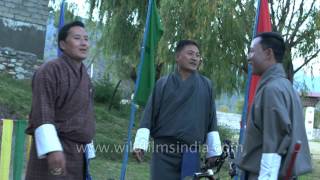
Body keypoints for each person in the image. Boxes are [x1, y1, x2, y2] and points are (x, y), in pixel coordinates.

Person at [132, 40, 222, 180]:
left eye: (198, 55)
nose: (195, 58)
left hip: (191, 152)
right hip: (164, 152)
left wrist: (213, 152)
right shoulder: (163, 83)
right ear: (177, 56)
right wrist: (140, 144)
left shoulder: (206, 85)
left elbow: (212, 121)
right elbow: (148, 115)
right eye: (190, 53)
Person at [25, 21, 96, 180]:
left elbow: (86, 115)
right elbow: (42, 111)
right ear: (63, 44)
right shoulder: (49, 70)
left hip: (78, 152)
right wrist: (52, 149)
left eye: (86, 39)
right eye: (77, 38)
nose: (84, 43)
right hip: (55, 148)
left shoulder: (85, 76)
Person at [237, 32, 312, 179]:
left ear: (268, 53)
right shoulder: (285, 86)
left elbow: (274, 145)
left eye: (252, 51)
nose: (248, 57)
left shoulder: (272, 89)